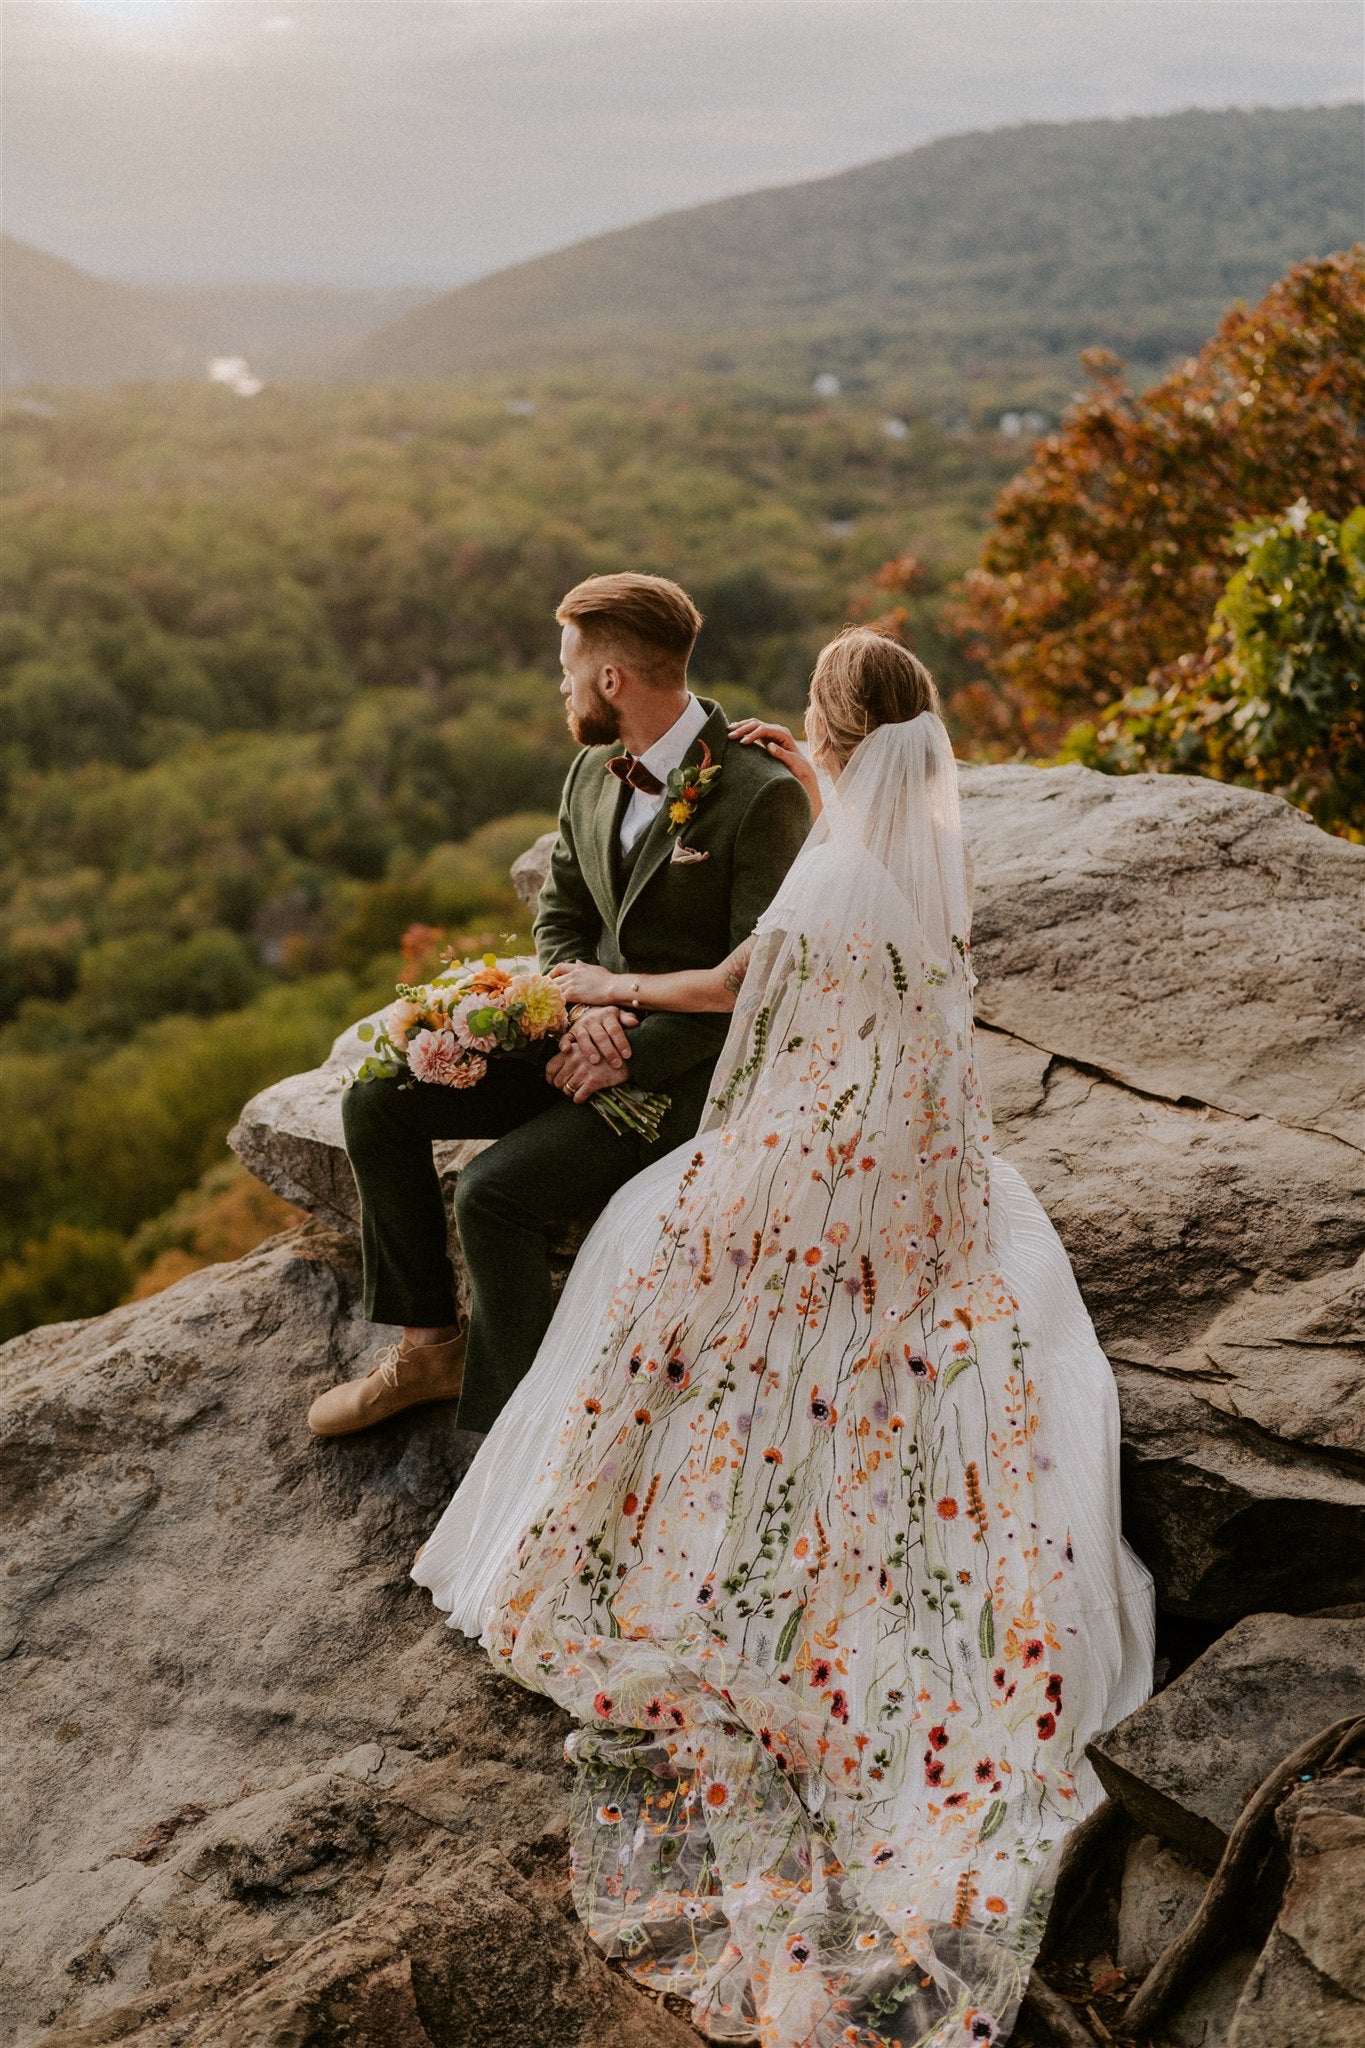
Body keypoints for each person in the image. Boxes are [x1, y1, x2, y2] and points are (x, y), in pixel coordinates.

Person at [413, 626, 1155, 2048]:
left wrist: (604, 989)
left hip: (831, 1147)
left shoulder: (833, 876)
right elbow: (861, 877)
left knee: (649, 1251)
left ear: (829, 731)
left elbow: (730, 988)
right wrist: (821, 785)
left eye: (816, 731)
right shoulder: (913, 848)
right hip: (931, 1160)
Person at [307, 571, 810, 1439]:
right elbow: (561, 914)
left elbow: (762, 986)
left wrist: (626, 1049)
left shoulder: (760, 791)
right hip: (581, 1029)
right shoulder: (589, 770)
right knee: (377, 1099)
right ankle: (428, 1350)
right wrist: (583, 1016)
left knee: (491, 1194)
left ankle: (512, 1436)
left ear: (611, 678)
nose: (562, 688)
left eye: (568, 671)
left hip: (684, 1074)